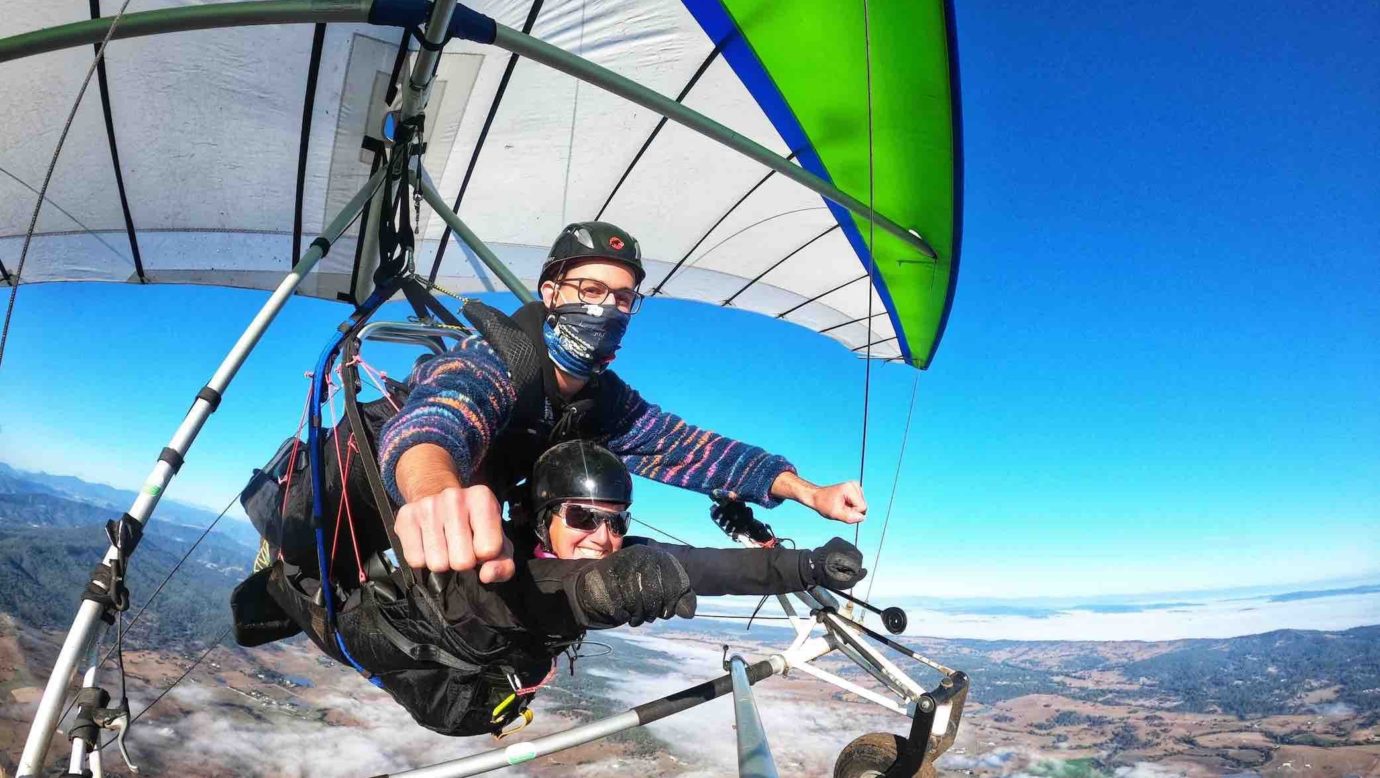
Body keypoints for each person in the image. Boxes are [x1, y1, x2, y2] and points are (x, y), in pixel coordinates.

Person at [260, 440, 866, 737]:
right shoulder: (515, 572)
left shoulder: (580, 549)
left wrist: (810, 561)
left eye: (616, 521)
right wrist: (632, 587)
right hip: (396, 643)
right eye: (582, 517)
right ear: (542, 516)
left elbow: (697, 562)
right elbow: (612, 583)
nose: (603, 537)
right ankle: (278, 567)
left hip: (480, 680)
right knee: (298, 591)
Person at [377, 220, 869, 584]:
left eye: (623, 298)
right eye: (590, 290)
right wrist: (434, 491)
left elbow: (697, 452)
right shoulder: (497, 361)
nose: (607, 307)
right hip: (388, 490)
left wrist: (809, 492)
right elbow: (441, 417)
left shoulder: (603, 403)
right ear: (551, 294)